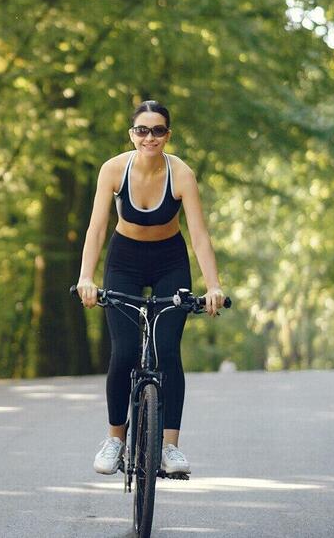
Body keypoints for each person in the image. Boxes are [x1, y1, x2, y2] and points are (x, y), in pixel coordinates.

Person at [74, 100, 225, 477]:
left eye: (158, 130)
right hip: (124, 259)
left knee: (168, 352)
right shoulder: (113, 170)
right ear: (132, 134)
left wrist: (214, 286)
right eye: (142, 130)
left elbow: (200, 236)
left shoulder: (181, 174)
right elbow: (95, 229)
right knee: (123, 351)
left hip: (169, 261)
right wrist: (86, 278)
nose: (150, 137)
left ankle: (169, 448)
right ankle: (114, 439)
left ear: (168, 135)